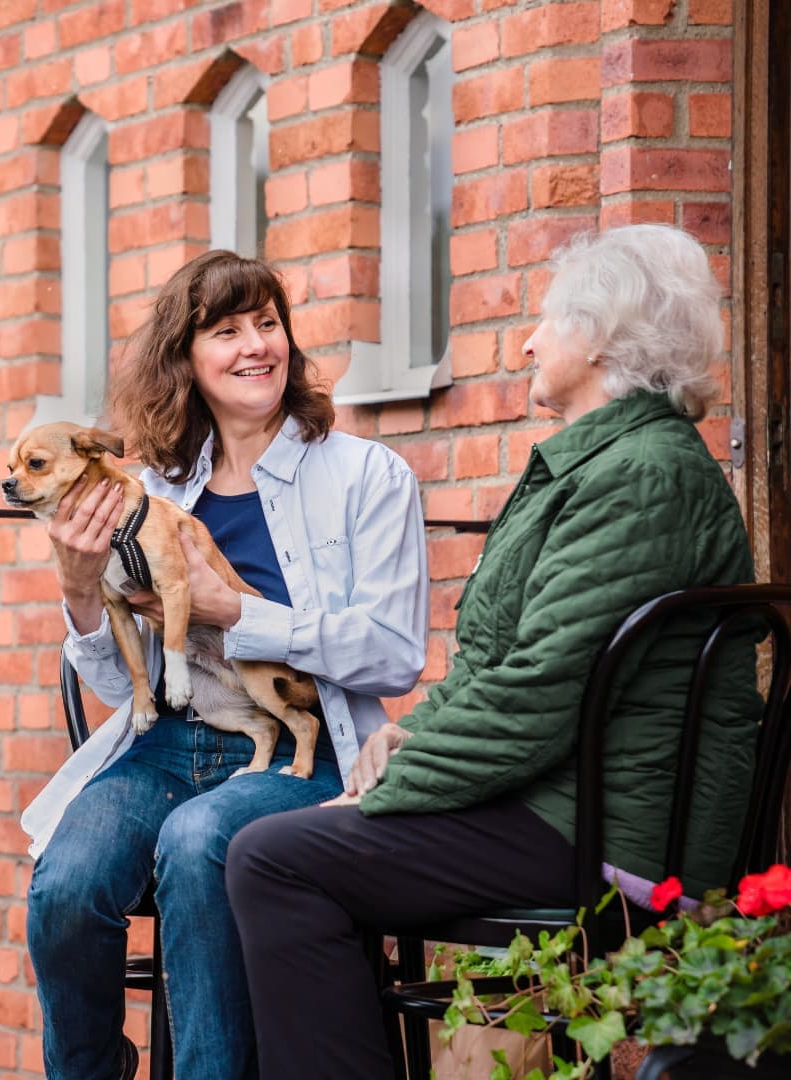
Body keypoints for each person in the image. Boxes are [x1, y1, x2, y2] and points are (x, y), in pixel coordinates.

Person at [225, 223, 760, 1077]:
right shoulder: (607, 466)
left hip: (606, 829)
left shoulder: (640, 478)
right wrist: (412, 732)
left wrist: (389, 791)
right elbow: (511, 665)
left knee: (277, 858)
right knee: (285, 845)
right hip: (561, 800)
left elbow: (542, 689)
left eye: (548, 320)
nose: (528, 339)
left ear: (603, 339)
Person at [21, 250, 430, 1080]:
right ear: (187, 360)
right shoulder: (152, 489)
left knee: (199, 839)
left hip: (303, 753)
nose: (256, 346)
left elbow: (393, 655)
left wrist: (237, 612)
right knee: (66, 883)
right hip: (167, 746)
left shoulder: (365, 476)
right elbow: (112, 685)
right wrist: (79, 590)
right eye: (226, 330)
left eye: (268, 324)